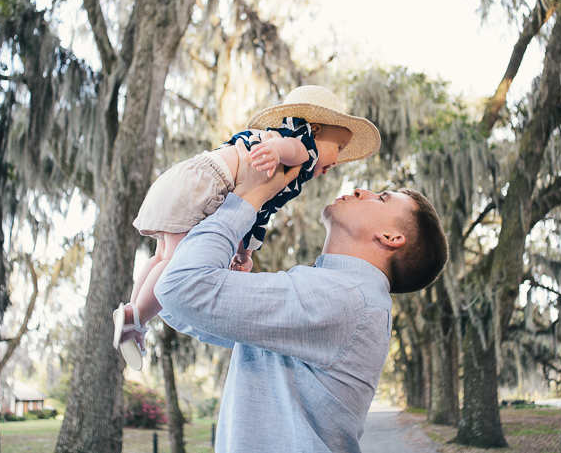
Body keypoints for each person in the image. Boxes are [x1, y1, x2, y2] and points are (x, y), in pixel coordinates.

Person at [154, 138, 449, 453]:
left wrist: (249, 197)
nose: (363, 190)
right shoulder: (335, 291)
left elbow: (179, 289)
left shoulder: (344, 297)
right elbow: (180, 308)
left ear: (391, 238)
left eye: (382, 198)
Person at [113, 85, 382, 370]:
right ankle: (137, 317)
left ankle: (131, 312)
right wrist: (277, 151)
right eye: (338, 147)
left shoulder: (279, 151)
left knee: (160, 257)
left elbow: (258, 211)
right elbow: (295, 149)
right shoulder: (301, 146)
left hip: (181, 178)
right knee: (173, 264)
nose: (337, 160)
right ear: (314, 130)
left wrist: (245, 251)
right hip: (201, 186)